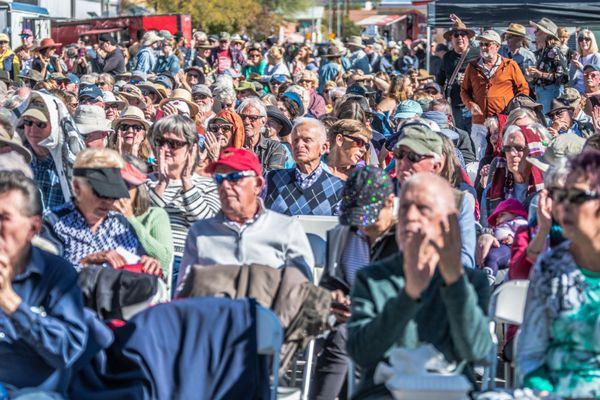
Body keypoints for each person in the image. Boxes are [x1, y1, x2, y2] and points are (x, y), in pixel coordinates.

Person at [346, 172, 492, 399]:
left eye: (423, 209)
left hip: (450, 392)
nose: (411, 217)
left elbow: (476, 350)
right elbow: (362, 353)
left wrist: (454, 282)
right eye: (404, 208)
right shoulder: (373, 279)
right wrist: (409, 295)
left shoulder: (472, 283)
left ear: (449, 221)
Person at [517, 150, 600, 398]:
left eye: (576, 197)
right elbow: (531, 355)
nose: (563, 207)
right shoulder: (550, 266)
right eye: (560, 197)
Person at [312, 166, 398, 400]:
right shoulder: (343, 234)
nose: (362, 225)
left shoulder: (407, 238)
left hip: (397, 328)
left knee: (341, 338)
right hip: (350, 325)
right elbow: (329, 283)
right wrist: (334, 299)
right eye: (356, 218)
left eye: (369, 218)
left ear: (390, 203)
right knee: (341, 336)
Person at [0, 171, 88, 394]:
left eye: (4, 218)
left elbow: (67, 349)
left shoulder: (57, 275)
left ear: (33, 228)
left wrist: (12, 304)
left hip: (31, 393)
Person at [178, 147, 315, 289]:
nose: (225, 186)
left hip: (268, 308)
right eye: (219, 179)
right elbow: (184, 293)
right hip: (215, 308)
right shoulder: (200, 232)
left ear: (258, 185)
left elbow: (302, 290)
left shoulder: (287, 229)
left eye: (234, 178)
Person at [42, 148, 162, 276]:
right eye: (100, 192)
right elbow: (47, 275)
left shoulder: (121, 224)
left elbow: (140, 261)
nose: (108, 201)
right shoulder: (54, 222)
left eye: (113, 194)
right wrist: (87, 262)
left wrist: (148, 264)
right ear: (77, 187)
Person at [148, 115, 220, 285]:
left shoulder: (207, 185)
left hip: (188, 262)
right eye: (160, 142)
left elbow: (206, 225)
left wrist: (186, 180)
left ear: (191, 149)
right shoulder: (145, 183)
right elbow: (142, 222)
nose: (165, 149)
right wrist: (162, 183)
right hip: (149, 261)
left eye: (174, 144)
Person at [393, 123, 477, 269]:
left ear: (436, 166)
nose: (403, 162)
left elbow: (466, 260)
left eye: (414, 156)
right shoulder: (382, 194)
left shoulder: (456, 202)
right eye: (399, 154)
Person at [461, 29, 529, 160]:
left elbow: (523, 89)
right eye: (481, 44)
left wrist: (515, 110)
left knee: (503, 155)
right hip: (479, 121)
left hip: (503, 120)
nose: (483, 47)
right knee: (480, 157)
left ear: (497, 46)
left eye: (487, 44)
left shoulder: (510, 65)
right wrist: (470, 105)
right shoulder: (472, 66)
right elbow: (464, 91)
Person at [19, 91, 85, 210]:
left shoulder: (72, 164)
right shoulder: (16, 161)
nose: (32, 129)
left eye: (41, 124)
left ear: (56, 125)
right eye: (28, 122)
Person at [265, 118, 344, 216]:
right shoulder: (272, 179)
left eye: (307, 140)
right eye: (295, 140)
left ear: (324, 148)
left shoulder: (339, 188)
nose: (299, 145)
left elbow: (340, 228)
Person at [115, 156, 174, 282]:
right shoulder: (103, 216)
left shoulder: (155, 215)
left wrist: (130, 218)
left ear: (139, 189)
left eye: (126, 184)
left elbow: (164, 259)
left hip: (144, 287)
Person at [436, 16, 479, 132]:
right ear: (451, 39)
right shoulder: (447, 57)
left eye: (463, 35)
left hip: (474, 103)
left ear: (468, 38)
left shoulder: (478, 54)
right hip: (455, 105)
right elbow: (440, 80)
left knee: (475, 136)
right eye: (456, 35)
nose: (459, 37)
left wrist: (469, 79)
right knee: (459, 136)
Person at [527, 18, 568, 114]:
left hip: (550, 92)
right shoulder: (544, 51)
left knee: (547, 121)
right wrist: (533, 76)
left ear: (545, 33)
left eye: (537, 30)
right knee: (543, 121)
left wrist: (540, 74)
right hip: (543, 92)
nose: (535, 33)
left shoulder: (554, 50)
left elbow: (564, 77)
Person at [236, 97, 286, 173]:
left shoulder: (274, 147)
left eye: (252, 118)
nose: (246, 122)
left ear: (263, 121)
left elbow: (274, 178)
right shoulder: (233, 145)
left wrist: (252, 161)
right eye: (242, 117)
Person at [569, 29, 600, 94]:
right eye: (580, 39)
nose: (583, 41)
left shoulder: (596, 56)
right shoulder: (578, 57)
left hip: (590, 93)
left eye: (587, 39)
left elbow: (596, 78)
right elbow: (571, 82)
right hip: (576, 93)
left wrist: (581, 68)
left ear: (592, 41)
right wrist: (573, 67)